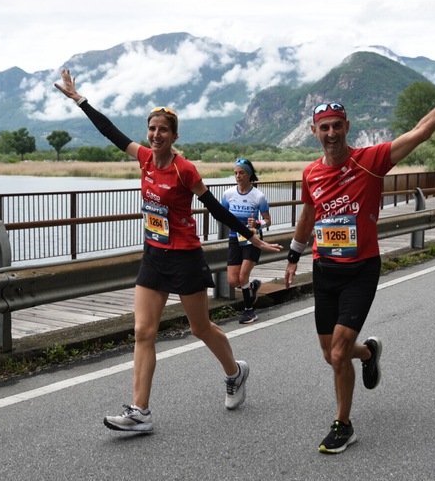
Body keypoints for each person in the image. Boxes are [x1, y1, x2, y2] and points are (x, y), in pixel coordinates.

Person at [54, 69, 281, 433]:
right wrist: (80, 100)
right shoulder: (144, 158)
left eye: (163, 130)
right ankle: (140, 412)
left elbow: (214, 207)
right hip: (154, 255)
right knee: (143, 331)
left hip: (185, 257)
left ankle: (235, 372)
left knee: (200, 328)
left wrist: (250, 237)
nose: (156, 135)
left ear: (174, 136)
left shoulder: (183, 169)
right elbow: (111, 132)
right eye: (152, 128)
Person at [284, 57, 435, 454]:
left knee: (338, 352)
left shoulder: (370, 160)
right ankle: (369, 352)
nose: (331, 133)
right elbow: (309, 213)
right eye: (324, 128)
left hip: (361, 270)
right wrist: (293, 255)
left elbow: (420, 133)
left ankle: (343, 423)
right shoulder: (310, 173)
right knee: (331, 355)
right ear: (314, 132)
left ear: (347, 128)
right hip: (325, 268)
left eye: (338, 126)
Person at [221, 158, 272, 324]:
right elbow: (222, 215)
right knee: (232, 281)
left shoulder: (258, 196)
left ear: (249, 175)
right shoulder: (228, 194)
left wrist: (257, 224)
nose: (238, 176)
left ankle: (249, 311)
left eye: (241, 173)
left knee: (243, 277)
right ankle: (253, 287)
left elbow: (268, 221)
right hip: (235, 238)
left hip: (252, 238)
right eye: (236, 173)